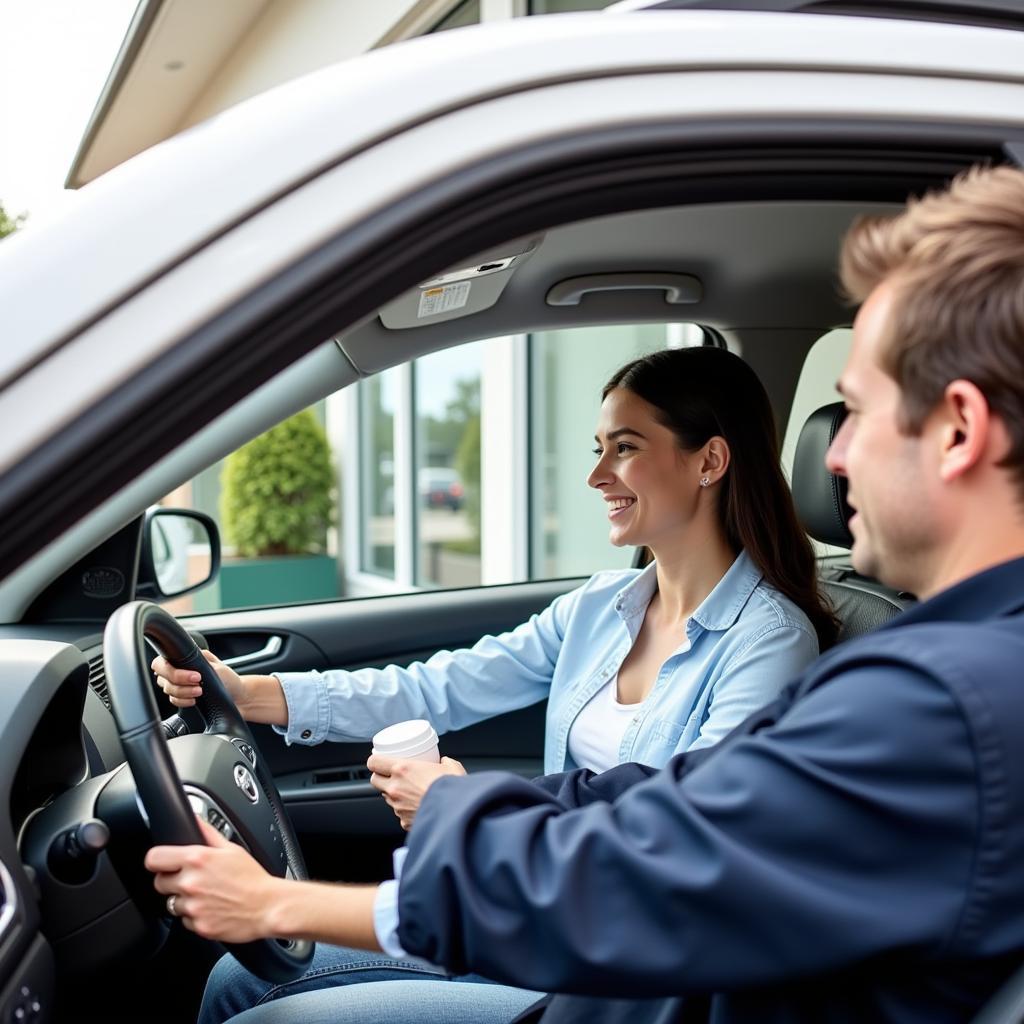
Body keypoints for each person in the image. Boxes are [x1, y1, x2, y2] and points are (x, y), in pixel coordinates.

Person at [148, 164, 1024, 1023]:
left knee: (262, 997)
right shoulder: (618, 607)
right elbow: (474, 705)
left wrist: (311, 888)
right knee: (242, 980)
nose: (829, 457)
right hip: (574, 927)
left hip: (595, 966)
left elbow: (661, 854)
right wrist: (256, 695)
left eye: (857, 413)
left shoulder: (929, 696)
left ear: (957, 430)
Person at [153, 345, 833, 1020]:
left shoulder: (770, 642)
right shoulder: (600, 606)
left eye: (624, 447)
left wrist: (464, 806)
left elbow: (679, 836)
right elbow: (439, 686)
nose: (597, 475)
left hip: (624, 979)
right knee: (238, 978)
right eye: (597, 447)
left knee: (263, 1015)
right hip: (540, 920)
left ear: (710, 461)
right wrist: (251, 695)